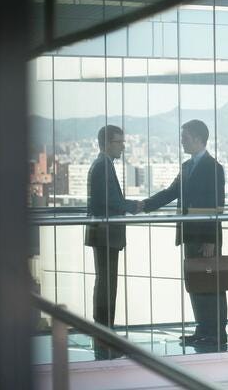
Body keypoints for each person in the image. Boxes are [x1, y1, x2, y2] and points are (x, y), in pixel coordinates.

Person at [143, 119, 227, 352]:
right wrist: (144, 205)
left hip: (206, 237)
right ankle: (203, 331)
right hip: (189, 234)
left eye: (185, 138)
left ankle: (216, 334)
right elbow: (171, 192)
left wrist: (211, 239)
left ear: (199, 139)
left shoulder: (213, 167)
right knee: (195, 284)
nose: (182, 142)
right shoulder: (186, 167)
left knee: (211, 285)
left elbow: (217, 204)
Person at [85, 125, 142, 359]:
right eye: (119, 142)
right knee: (107, 283)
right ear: (108, 143)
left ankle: (105, 329)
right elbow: (110, 201)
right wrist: (135, 206)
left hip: (104, 232)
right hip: (105, 232)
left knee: (106, 282)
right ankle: (104, 331)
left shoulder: (103, 165)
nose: (123, 146)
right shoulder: (103, 166)